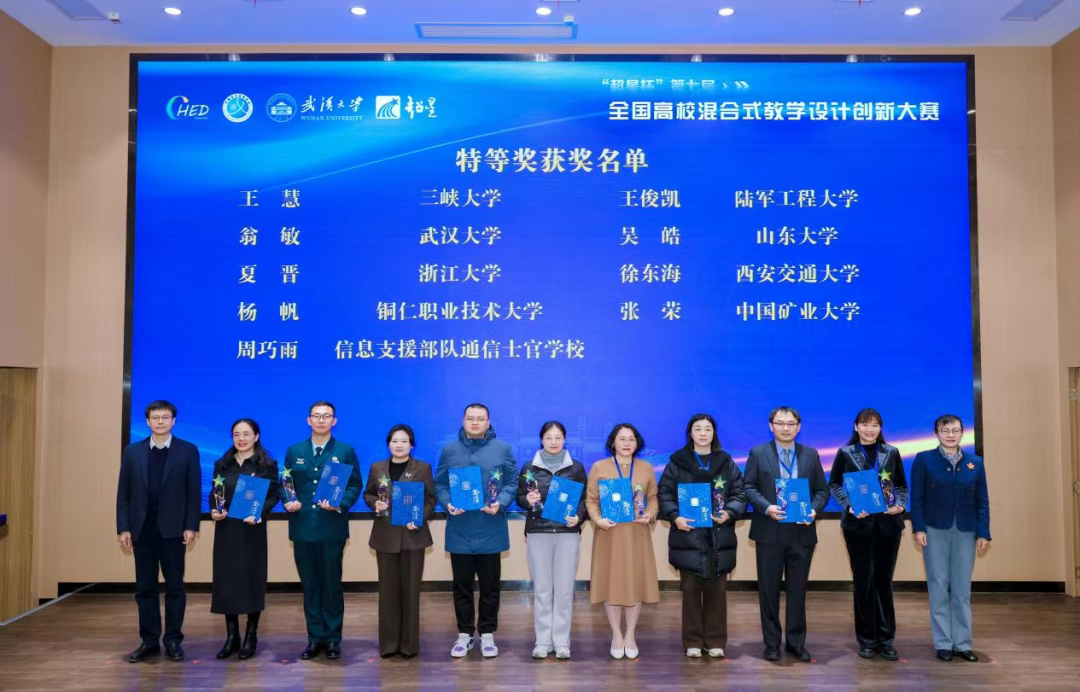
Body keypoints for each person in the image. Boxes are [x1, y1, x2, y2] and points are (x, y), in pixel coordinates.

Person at [115, 400, 201, 663]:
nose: (160, 421)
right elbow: (124, 494)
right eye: (155, 417)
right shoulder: (133, 451)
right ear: (148, 422)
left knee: (175, 587)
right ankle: (149, 641)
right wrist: (124, 527)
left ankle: (173, 640)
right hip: (142, 531)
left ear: (173, 420)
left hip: (173, 531)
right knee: (145, 588)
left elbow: (193, 492)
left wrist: (191, 525)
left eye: (165, 417)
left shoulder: (188, 450)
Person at [657, 413, 747, 659]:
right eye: (698, 428)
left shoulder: (725, 461)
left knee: (717, 592)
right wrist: (675, 516)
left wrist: (729, 513)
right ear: (690, 433)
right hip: (688, 537)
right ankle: (693, 641)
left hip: (719, 536)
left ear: (714, 433)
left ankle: (716, 640)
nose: (703, 433)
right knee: (691, 592)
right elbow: (664, 493)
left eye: (708, 428)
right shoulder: (677, 462)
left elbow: (739, 494)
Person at [743, 406, 828, 663]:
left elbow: (822, 491)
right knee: (768, 592)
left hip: (802, 532)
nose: (785, 428)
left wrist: (813, 510)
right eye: (780, 423)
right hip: (769, 532)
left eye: (791, 423)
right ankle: (771, 644)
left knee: (798, 592)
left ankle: (796, 643)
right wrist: (766, 507)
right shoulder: (758, 453)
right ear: (771, 426)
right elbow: (749, 487)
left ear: (798, 427)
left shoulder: (810, 455)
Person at [433, 403, 518, 658]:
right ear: (463, 420)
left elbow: (512, 482)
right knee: (462, 587)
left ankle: (488, 633)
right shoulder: (449, 450)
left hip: (490, 528)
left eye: (480, 419)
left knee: (490, 587)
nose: (475, 423)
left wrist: (500, 502)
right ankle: (465, 634)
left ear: (488, 422)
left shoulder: (502, 448)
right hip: (460, 529)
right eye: (470, 418)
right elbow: (440, 483)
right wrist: (447, 503)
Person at [282, 401, 363, 661]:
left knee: (331, 585)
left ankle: (332, 639)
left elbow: (355, 485)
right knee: (310, 586)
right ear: (308, 420)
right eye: (316, 416)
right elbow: (286, 483)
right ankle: (314, 638)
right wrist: (288, 500)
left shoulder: (345, 450)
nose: (321, 420)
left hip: (331, 529)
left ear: (334, 421)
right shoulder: (294, 450)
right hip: (303, 528)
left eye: (326, 416)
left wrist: (341, 502)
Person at [827, 408, 908, 661]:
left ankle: (886, 639)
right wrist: (849, 505)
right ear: (856, 427)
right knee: (863, 582)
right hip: (858, 527)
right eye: (865, 424)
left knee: (884, 582)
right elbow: (834, 485)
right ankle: (866, 640)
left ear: (880, 428)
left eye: (875, 425)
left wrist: (900, 506)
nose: (870, 430)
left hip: (888, 526)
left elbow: (901, 486)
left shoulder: (891, 452)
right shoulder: (845, 453)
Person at [910, 414, 990, 663]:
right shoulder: (924, 460)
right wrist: (918, 528)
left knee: (962, 590)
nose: (951, 435)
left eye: (955, 430)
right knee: (938, 587)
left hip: (966, 531)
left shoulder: (975, 463)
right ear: (937, 433)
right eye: (945, 430)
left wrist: (983, 531)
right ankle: (943, 642)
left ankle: (963, 644)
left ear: (962, 433)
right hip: (934, 530)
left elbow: (982, 501)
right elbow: (917, 498)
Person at [585, 423, 660, 660]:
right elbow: (591, 500)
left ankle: (630, 635)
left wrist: (650, 514)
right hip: (609, 534)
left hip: (637, 534)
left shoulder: (646, 467)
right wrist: (598, 520)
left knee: (634, 584)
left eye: (631, 439)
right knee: (612, 584)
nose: (627, 443)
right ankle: (617, 635)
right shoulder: (599, 467)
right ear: (613, 442)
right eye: (622, 438)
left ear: (637, 443)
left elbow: (653, 498)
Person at [515, 420, 587, 660]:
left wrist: (578, 517)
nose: (553, 442)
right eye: (549, 438)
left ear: (565, 440)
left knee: (564, 591)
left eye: (558, 438)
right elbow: (520, 497)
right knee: (543, 590)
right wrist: (528, 500)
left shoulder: (576, 468)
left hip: (567, 534)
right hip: (538, 533)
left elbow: (584, 501)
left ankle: (562, 642)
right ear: (542, 440)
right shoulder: (529, 467)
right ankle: (543, 642)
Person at [208, 418, 280, 660]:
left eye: (246, 434)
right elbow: (215, 493)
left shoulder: (266, 465)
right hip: (227, 529)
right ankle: (232, 636)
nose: (241, 438)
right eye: (237, 434)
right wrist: (214, 509)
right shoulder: (222, 464)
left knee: (251, 580)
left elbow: (273, 495)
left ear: (256, 436)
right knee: (227, 580)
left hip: (252, 530)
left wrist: (260, 512)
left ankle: (251, 635)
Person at [362, 424, 436, 658]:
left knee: (411, 593)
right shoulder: (377, 468)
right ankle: (389, 645)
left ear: (412, 445)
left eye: (404, 441)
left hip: (413, 536)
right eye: (395, 441)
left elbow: (430, 500)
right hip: (385, 537)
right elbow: (368, 493)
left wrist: (419, 518)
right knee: (387, 594)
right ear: (388, 444)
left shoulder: (423, 468)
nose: (399, 445)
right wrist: (374, 503)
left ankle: (408, 645)